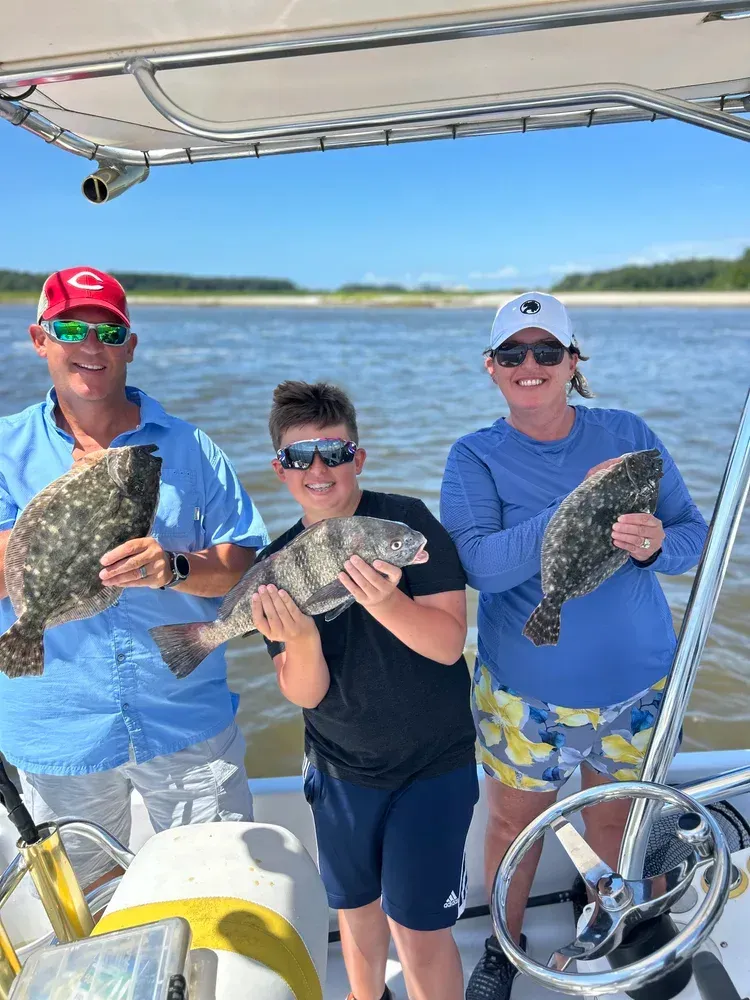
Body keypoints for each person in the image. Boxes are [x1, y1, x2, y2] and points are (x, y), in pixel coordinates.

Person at [440, 291, 708, 1000]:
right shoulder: (475, 455)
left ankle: (610, 922)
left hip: (636, 684)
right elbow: (478, 566)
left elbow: (693, 537)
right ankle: (505, 942)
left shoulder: (627, 433)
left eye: (547, 351)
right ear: (491, 367)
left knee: (618, 816)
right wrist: (575, 513)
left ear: (573, 362)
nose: (531, 365)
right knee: (511, 824)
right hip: (522, 690)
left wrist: (653, 544)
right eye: (513, 353)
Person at [0, 267, 268, 891]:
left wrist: (172, 567)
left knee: (219, 891)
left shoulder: (188, 448)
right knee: (88, 916)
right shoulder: (5, 450)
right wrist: (42, 535)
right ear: (40, 339)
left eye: (108, 331)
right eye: (71, 328)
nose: (90, 345)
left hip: (185, 718)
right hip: (58, 726)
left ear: (130, 344)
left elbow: (242, 565)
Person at [251, 381, 478, 1000]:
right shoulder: (276, 567)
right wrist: (298, 640)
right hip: (341, 769)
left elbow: (447, 643)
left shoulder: (405, 524)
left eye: (334, 452)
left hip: (434, 764)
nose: (318, 469)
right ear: (280, 469)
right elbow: (304, 692)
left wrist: (384, 599)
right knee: (355, 908)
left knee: (419, 926)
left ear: (359, 456)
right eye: (300, 457)